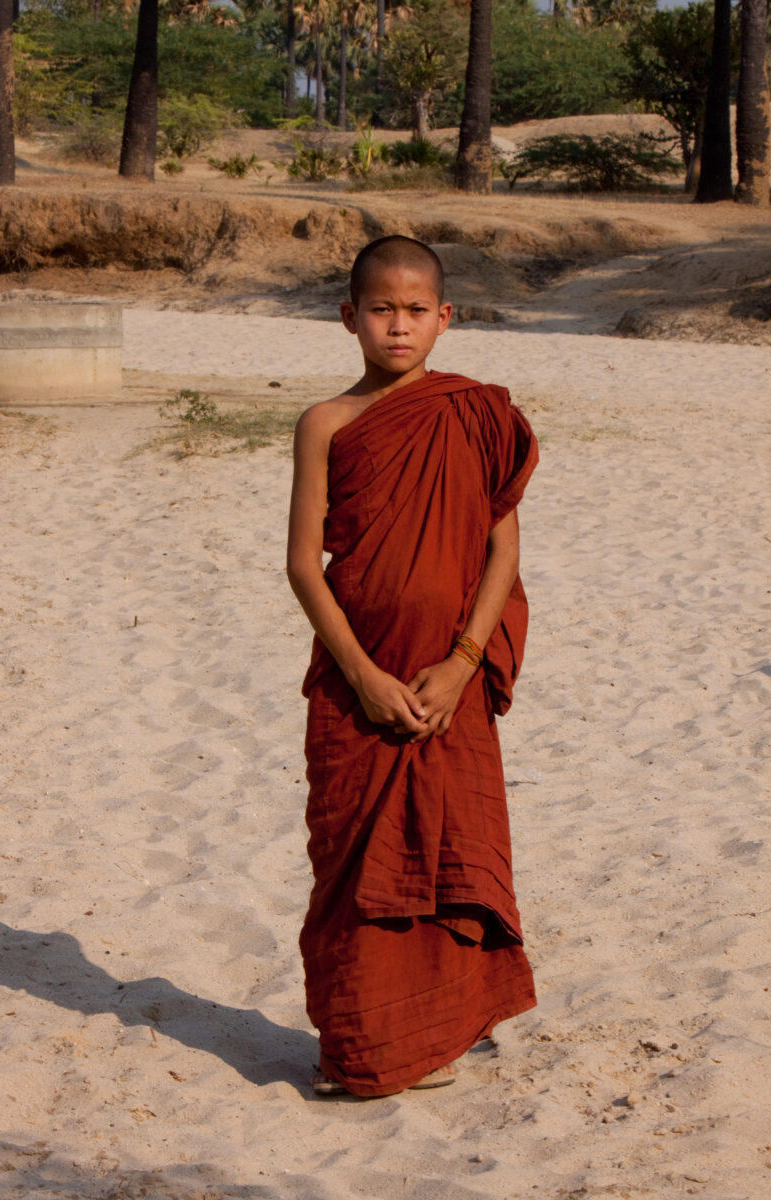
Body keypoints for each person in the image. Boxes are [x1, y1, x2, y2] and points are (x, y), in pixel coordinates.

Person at [286, 235, 539, 1098]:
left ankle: (440, 1028)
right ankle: (361, 1047)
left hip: (447, 682)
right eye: (382, 310)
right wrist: (360, 675)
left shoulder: (475, 413)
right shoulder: (325, 422)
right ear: (349, 317)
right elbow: (300, 564)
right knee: (354, 866)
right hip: (360, 686)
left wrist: (464, 662)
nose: (400, 326)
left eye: (416, 311)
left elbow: (503, 549)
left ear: (445, 318)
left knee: (449, 854)